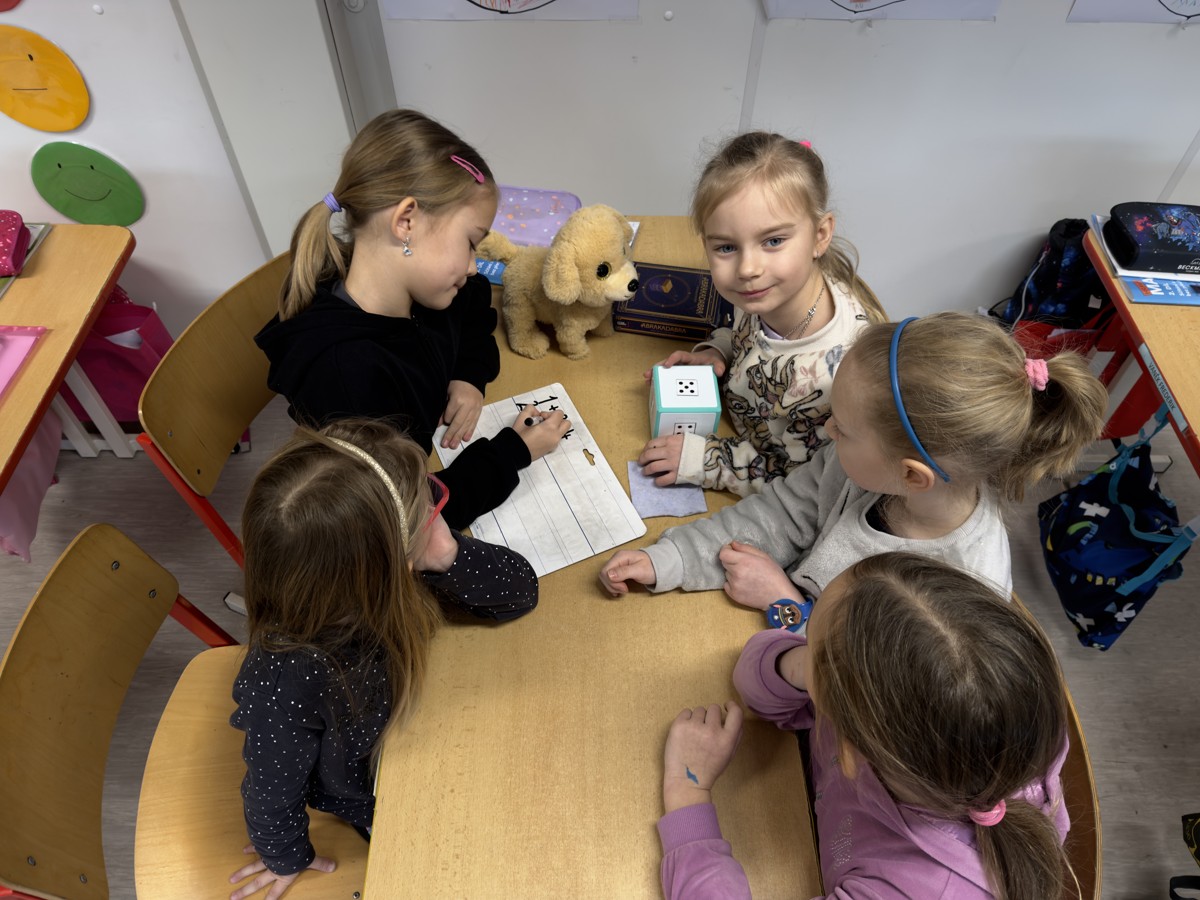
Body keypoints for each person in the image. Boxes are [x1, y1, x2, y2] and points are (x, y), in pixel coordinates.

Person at [601, 311, 1108, 624]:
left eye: (842, 428)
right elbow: (778, 516)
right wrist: (671, 559)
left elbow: (873, 696)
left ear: (911, 475)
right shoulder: (860, 468)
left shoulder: (963, 589)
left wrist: (786, 606)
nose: (826, 431)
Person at [227, 419, 537, 899]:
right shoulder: (289, 679)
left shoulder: (378, 576)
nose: (435, 511)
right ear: (391, 565)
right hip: (378, 789)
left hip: (427, 725)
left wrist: (445, 553)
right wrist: (284, 856)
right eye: (429, 508)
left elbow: (519, 594)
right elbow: (270, 788)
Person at [658, 552, 1074, 900]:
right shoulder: (1002, 717)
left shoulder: (915, 888)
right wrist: (807, 667)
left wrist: (688, 795)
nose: (801, 642)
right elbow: (754, 682)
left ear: (850, 753)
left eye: (808, 639)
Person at [255, 108, 570, 531]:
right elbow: (403, 516)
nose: (473, 267)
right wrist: (514, 452)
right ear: (406, 222)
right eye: (470, 242)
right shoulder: (345, 376)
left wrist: (468, 375)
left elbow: (475, 306)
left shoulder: (427, 288)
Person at [638, 132, 887, 497]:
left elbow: (800, 483)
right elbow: (752, 339)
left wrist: (703, 461)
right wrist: (719, 351)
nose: (747, 268)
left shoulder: (837, 379)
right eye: (726, 247)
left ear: (820, 235)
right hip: (734, 425)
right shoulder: (767, 293)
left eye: (773, 241)